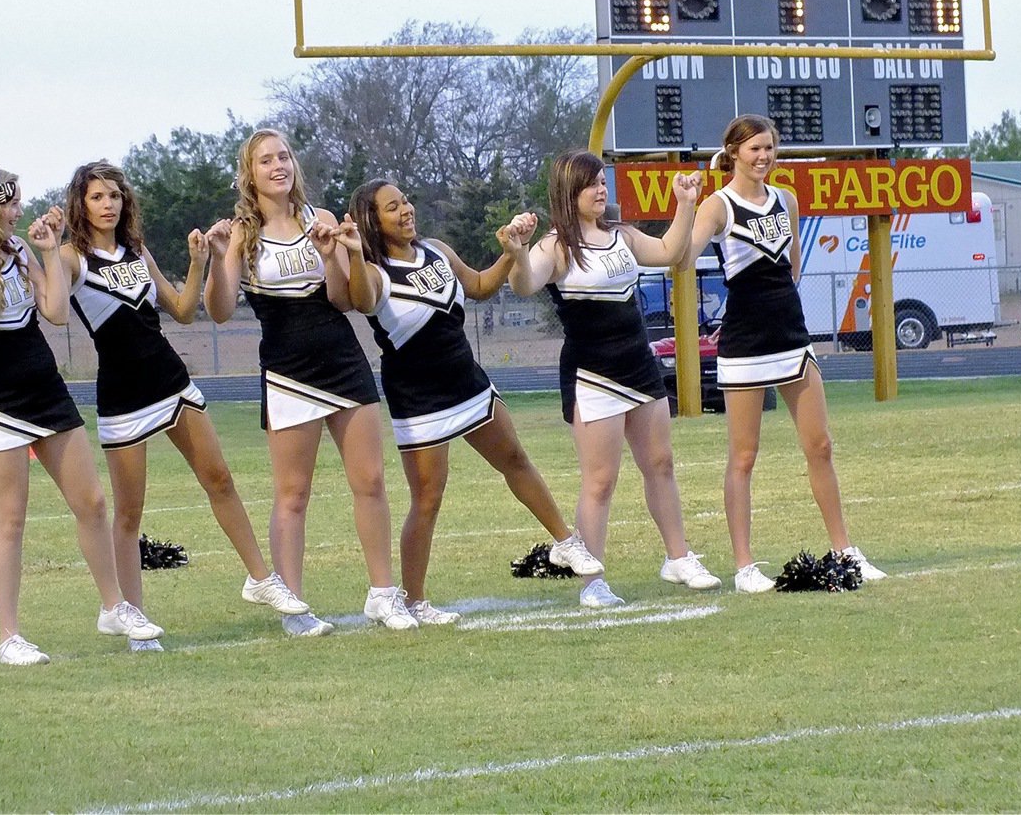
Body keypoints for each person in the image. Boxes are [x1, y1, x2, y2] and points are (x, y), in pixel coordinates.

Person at [60, 161, 310, 651]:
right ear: (80, 204)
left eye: (115, 195)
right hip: (123, 395)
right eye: (97, 197)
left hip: (171, 380)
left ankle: (260, 578)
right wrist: (46, 247)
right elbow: (50, 302)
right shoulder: (71, 258)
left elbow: (183, 311)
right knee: (130, 513)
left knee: (220, 479)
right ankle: (133, 618)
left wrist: (199, 262)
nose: (108, 204)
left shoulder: (136, 250)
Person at [331, 179, 605, 624]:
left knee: (515, 458)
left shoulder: (436, 249)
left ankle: (565, 541)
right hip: (418, 395)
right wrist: (355, 254)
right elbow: (361, 300)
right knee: (427, 498)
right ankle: (414, 600)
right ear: (372, 221)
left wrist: (512, 248)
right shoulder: (376, 273)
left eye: (406, 200)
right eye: (392, 207)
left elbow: (478, 286)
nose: (406, 210)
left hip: (466, 380)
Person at [0, 164, 163, 665]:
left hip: (46, 390)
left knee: (93, 503)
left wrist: (47, 252)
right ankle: (9, 636)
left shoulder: (17, 251)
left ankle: (113, 606)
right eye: (10, 203)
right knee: (10, 520)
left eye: (18, 201)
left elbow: (57, 312)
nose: (19, 211)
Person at [203, 129, 417, 636]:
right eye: (265, 160)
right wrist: (215, 259)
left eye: (283, 157)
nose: (278, 166)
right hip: (287, 367)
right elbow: (218, 310)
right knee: (293, 494)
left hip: (342, 358)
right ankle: (293, 606)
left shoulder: (318, 219)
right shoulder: (240, 234)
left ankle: (384, 595)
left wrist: (334, 255)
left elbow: (348, 300)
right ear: (248, 172)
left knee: (370, 481)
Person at [501, 150, 722, 607]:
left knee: (660, 463)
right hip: (591, 372)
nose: (601, 190)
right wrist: (518, 254)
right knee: (600, 480)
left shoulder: (620, 234)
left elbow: (668, 254)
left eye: (603, 182)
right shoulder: (556, 245)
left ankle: (678, 557)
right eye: (591, 185)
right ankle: (593, 581)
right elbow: (524, 285)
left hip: (637, 364)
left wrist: (684, 205)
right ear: (569, 192)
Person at [684, 114, 886, 591]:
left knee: (820, 445)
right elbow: (684, 256)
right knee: (744, 457)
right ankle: (745, 567)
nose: (763, 157)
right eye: (754, 148)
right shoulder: (718, 206)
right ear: (733, 152)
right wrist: (685, 206)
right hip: (745, 344)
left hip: (792, 337)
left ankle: (845, 552)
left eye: (770, 148)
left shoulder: (787, 199)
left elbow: (791, 266)